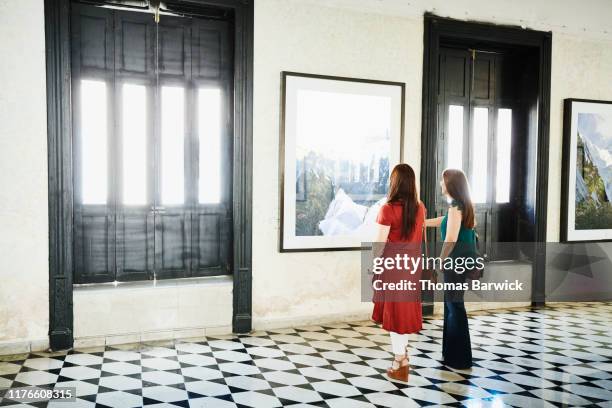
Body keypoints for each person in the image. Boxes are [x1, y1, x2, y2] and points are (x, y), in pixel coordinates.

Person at [371, 163, 426, 382]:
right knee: (403, 315)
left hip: (393, 268)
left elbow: (378, 245)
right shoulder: (419, 208)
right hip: (411, 267)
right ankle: (402, 356)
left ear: (394, 183)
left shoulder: (387, 209)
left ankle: (400, 360)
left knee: (395, 316)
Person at [425, 168, 475, 369]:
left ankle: (459, 358)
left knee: (454, 307)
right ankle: (452, 355)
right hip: (461, 262)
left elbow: (451, 238)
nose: (440, 183)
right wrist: (424, 223)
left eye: (443, 180)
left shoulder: (456, 207)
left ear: (451, 184)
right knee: (452, 306)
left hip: (455, 262)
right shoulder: (460, 205)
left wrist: (439, 261)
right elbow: (446, 222)